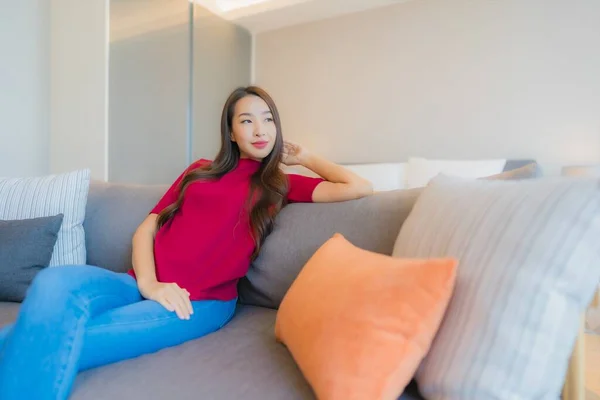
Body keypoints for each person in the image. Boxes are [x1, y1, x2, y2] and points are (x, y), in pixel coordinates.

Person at [0, 86, 373, 399]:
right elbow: (146, 229)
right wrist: (149, 282)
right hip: (138, 283)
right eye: (247, 120)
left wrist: (304, 156)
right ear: (230, 132)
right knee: (54, 282)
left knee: (59, 337)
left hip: (199, 302)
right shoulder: (198, 171)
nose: (260, 129)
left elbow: (359, 187)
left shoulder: (278, 185)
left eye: (268, 119)